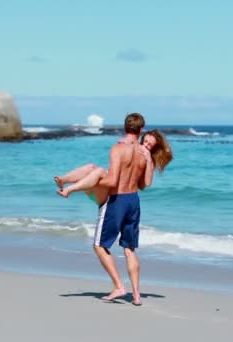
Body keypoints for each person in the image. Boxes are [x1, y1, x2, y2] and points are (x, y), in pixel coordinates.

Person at [55, 113, 173, 306]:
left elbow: (113, 181)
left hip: (116, 201)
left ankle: (119, 286)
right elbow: (144, 185)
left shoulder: (119, 148)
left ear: (124, 127)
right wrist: (149, 161)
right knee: (129, 250)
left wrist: (95, 179)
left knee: (99, 246)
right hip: (133, 202)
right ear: (141, 131)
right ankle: (136, 296)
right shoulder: (144, 155)